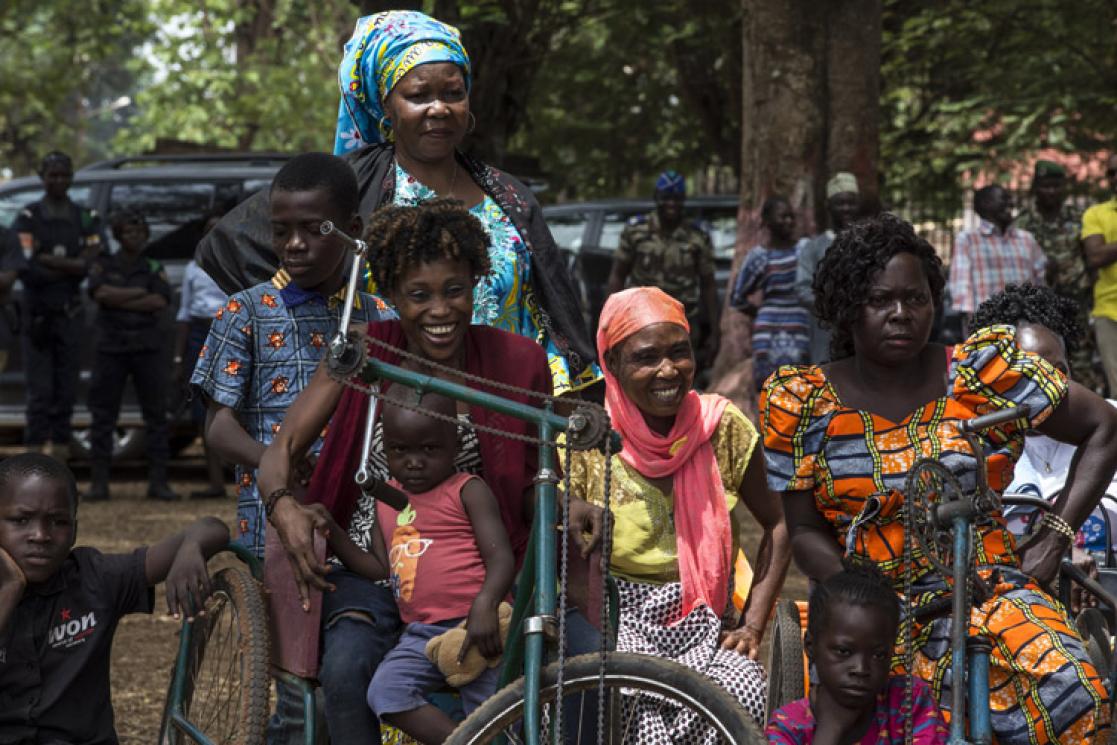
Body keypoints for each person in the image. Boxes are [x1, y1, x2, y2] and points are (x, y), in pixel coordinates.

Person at [761, 213, 1117, 743]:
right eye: (881, 300)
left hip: (988, 592)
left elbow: (1103, 426)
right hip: (873, 612)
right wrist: (861, 595)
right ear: (847, 309)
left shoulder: (980, 375)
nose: (902, 314)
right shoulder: (803, 402)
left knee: (1075, 695)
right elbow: (806, 529)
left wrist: (1052, 541)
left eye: (917, 298)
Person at [257, 199, 604, 743]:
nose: (440, 310)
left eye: (454, 290)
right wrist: (284, 505)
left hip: (487, 568)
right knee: (347, 674)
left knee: (587, 665)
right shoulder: (364, 352)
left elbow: (540, 474)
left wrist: (568, 505)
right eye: (418, 295)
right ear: (392, 296)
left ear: (476, 285)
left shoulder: (517, 361)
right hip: (376, 569)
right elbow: (281, 450)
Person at [197, 10, 598, 398]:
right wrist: (316, 314)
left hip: (505, 406)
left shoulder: (509, 196)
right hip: (391, 413)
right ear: (387, 106)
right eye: (418, 95)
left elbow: (548, 313)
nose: (439, 108)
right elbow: (231, 245)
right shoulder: (352, 185)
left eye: (453, 93)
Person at [564, 286, 791, 731]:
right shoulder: (587, 434)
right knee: (628, 700)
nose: (668, 370)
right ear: (611, 364)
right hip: (616, 616)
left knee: (742, 689)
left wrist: (753, 627)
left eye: (679, 353)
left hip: (706, 619)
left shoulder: (721, 427)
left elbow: (781, 523)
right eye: (646, 358)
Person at [313, 388, 513, 744]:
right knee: (385, 695)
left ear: (454, 445)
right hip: (420, 633)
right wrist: (334, 532)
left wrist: (485, 605)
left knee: (493, 711)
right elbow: (378, 568)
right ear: (385, 448)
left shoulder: (466, 490)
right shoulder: (386, 500)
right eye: (400, 450)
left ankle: (483, 735)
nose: (414, 462)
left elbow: (500, 557)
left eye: (430, 449)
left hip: (477, 627)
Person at [0, 452, 229, 742]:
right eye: (20, 520)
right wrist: (9, 588)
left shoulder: (95, 578)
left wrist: (191, 547)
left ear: (75, 531)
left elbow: (213, 528)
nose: (41, 535)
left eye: (58, 522)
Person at [972, 284, 1117, 556]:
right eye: (1031, 374)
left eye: (1058, 370)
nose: (1050, 386)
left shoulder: (1111, 420)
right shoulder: (980, 444)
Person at [766, 562, 949, 745]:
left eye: (878, 655)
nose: (861, 669)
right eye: (844, 651)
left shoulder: (910, 702)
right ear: (811, 646)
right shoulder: (787, 727)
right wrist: (830, 732)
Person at [11, 152, 106, 459]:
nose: (59, 181)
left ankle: (60, 464)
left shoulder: (85, 217)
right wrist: (73, 264)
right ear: (42, 177)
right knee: (39, 394)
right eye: (52, 175)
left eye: (64, 175)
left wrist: (50, 259)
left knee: (66, 392)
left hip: (70, 314)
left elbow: (94, 261)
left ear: (71, 177)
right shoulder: (27, 217)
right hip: (37, 315)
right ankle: (32, 463)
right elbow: (25, 264)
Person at [85, 209, 177, 502]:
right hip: (111, 348)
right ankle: (99, 483)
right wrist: (138, 294)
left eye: (139, 232)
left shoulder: (152, 265)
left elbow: (159, 300)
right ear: (118, 235)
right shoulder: (104, 263)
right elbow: (100, 295)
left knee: (156, 415)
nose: (134, 237)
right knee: (103, 416)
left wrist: (119, 296)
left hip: (146, 348)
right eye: (128, 232)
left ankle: (158, 483)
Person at [606, 170, 720, 364]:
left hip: (684, 321)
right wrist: (609, 321)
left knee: (681, 372)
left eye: (677, 199)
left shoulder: (697, 235)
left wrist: (715, 331)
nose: (671, 204)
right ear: (656, 198)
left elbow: (708, 285)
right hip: (640, 321)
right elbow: (617, 276)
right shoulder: (636, 231)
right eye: (666, 198)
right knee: (642, 371)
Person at [1016, 160, 1102, 393]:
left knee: (1082, 359)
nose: (1051, 191)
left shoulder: (1077, 217)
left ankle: (1088, 409)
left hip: (1077, 303)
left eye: (1056, 186)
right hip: (1040, 306)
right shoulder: (1023, 223)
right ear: (1036, 187)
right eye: (1045, 186)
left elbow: (1090, 258)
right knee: (1042, 359)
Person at [731, 195, 811, 390]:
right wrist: (760, 313)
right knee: (769, 387)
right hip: (768, 332)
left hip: (801, 328)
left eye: (791, 216)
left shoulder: (805, 250)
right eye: (783, 217)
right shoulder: (759, 257)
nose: (789, 221)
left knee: (801, 386)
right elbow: (737, 297)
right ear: (767, 221)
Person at [174, 215, 229, 499]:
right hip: (199, 332)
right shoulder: (193, 270)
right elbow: (184, 312)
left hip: (230, 331)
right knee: (204, 408)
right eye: (208, 230)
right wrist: (178, 357)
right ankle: (215, 481)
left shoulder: (235, 264)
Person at [947, 184, 1046, 330]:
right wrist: (972, 325)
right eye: (1004, 199)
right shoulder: (968, 240)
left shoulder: (1026, 239)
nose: (1011, 204)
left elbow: (1041, 281)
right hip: (987, 326)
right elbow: (961, 286)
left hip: (1026, 324)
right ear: (985, 204)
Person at [795, 172, 861, 364]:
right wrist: (834, 308)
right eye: (840, 203)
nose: (846, 209)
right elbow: (802, 288)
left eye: (851, 203)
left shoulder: (871, 243)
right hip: (826, 333)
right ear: (829, 206)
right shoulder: (814, 248)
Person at [1083, 153, 1117, 396]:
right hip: (1108, 312)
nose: (1115, 178)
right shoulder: (1096, 214)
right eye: (1112, 173)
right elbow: (1095, 256)